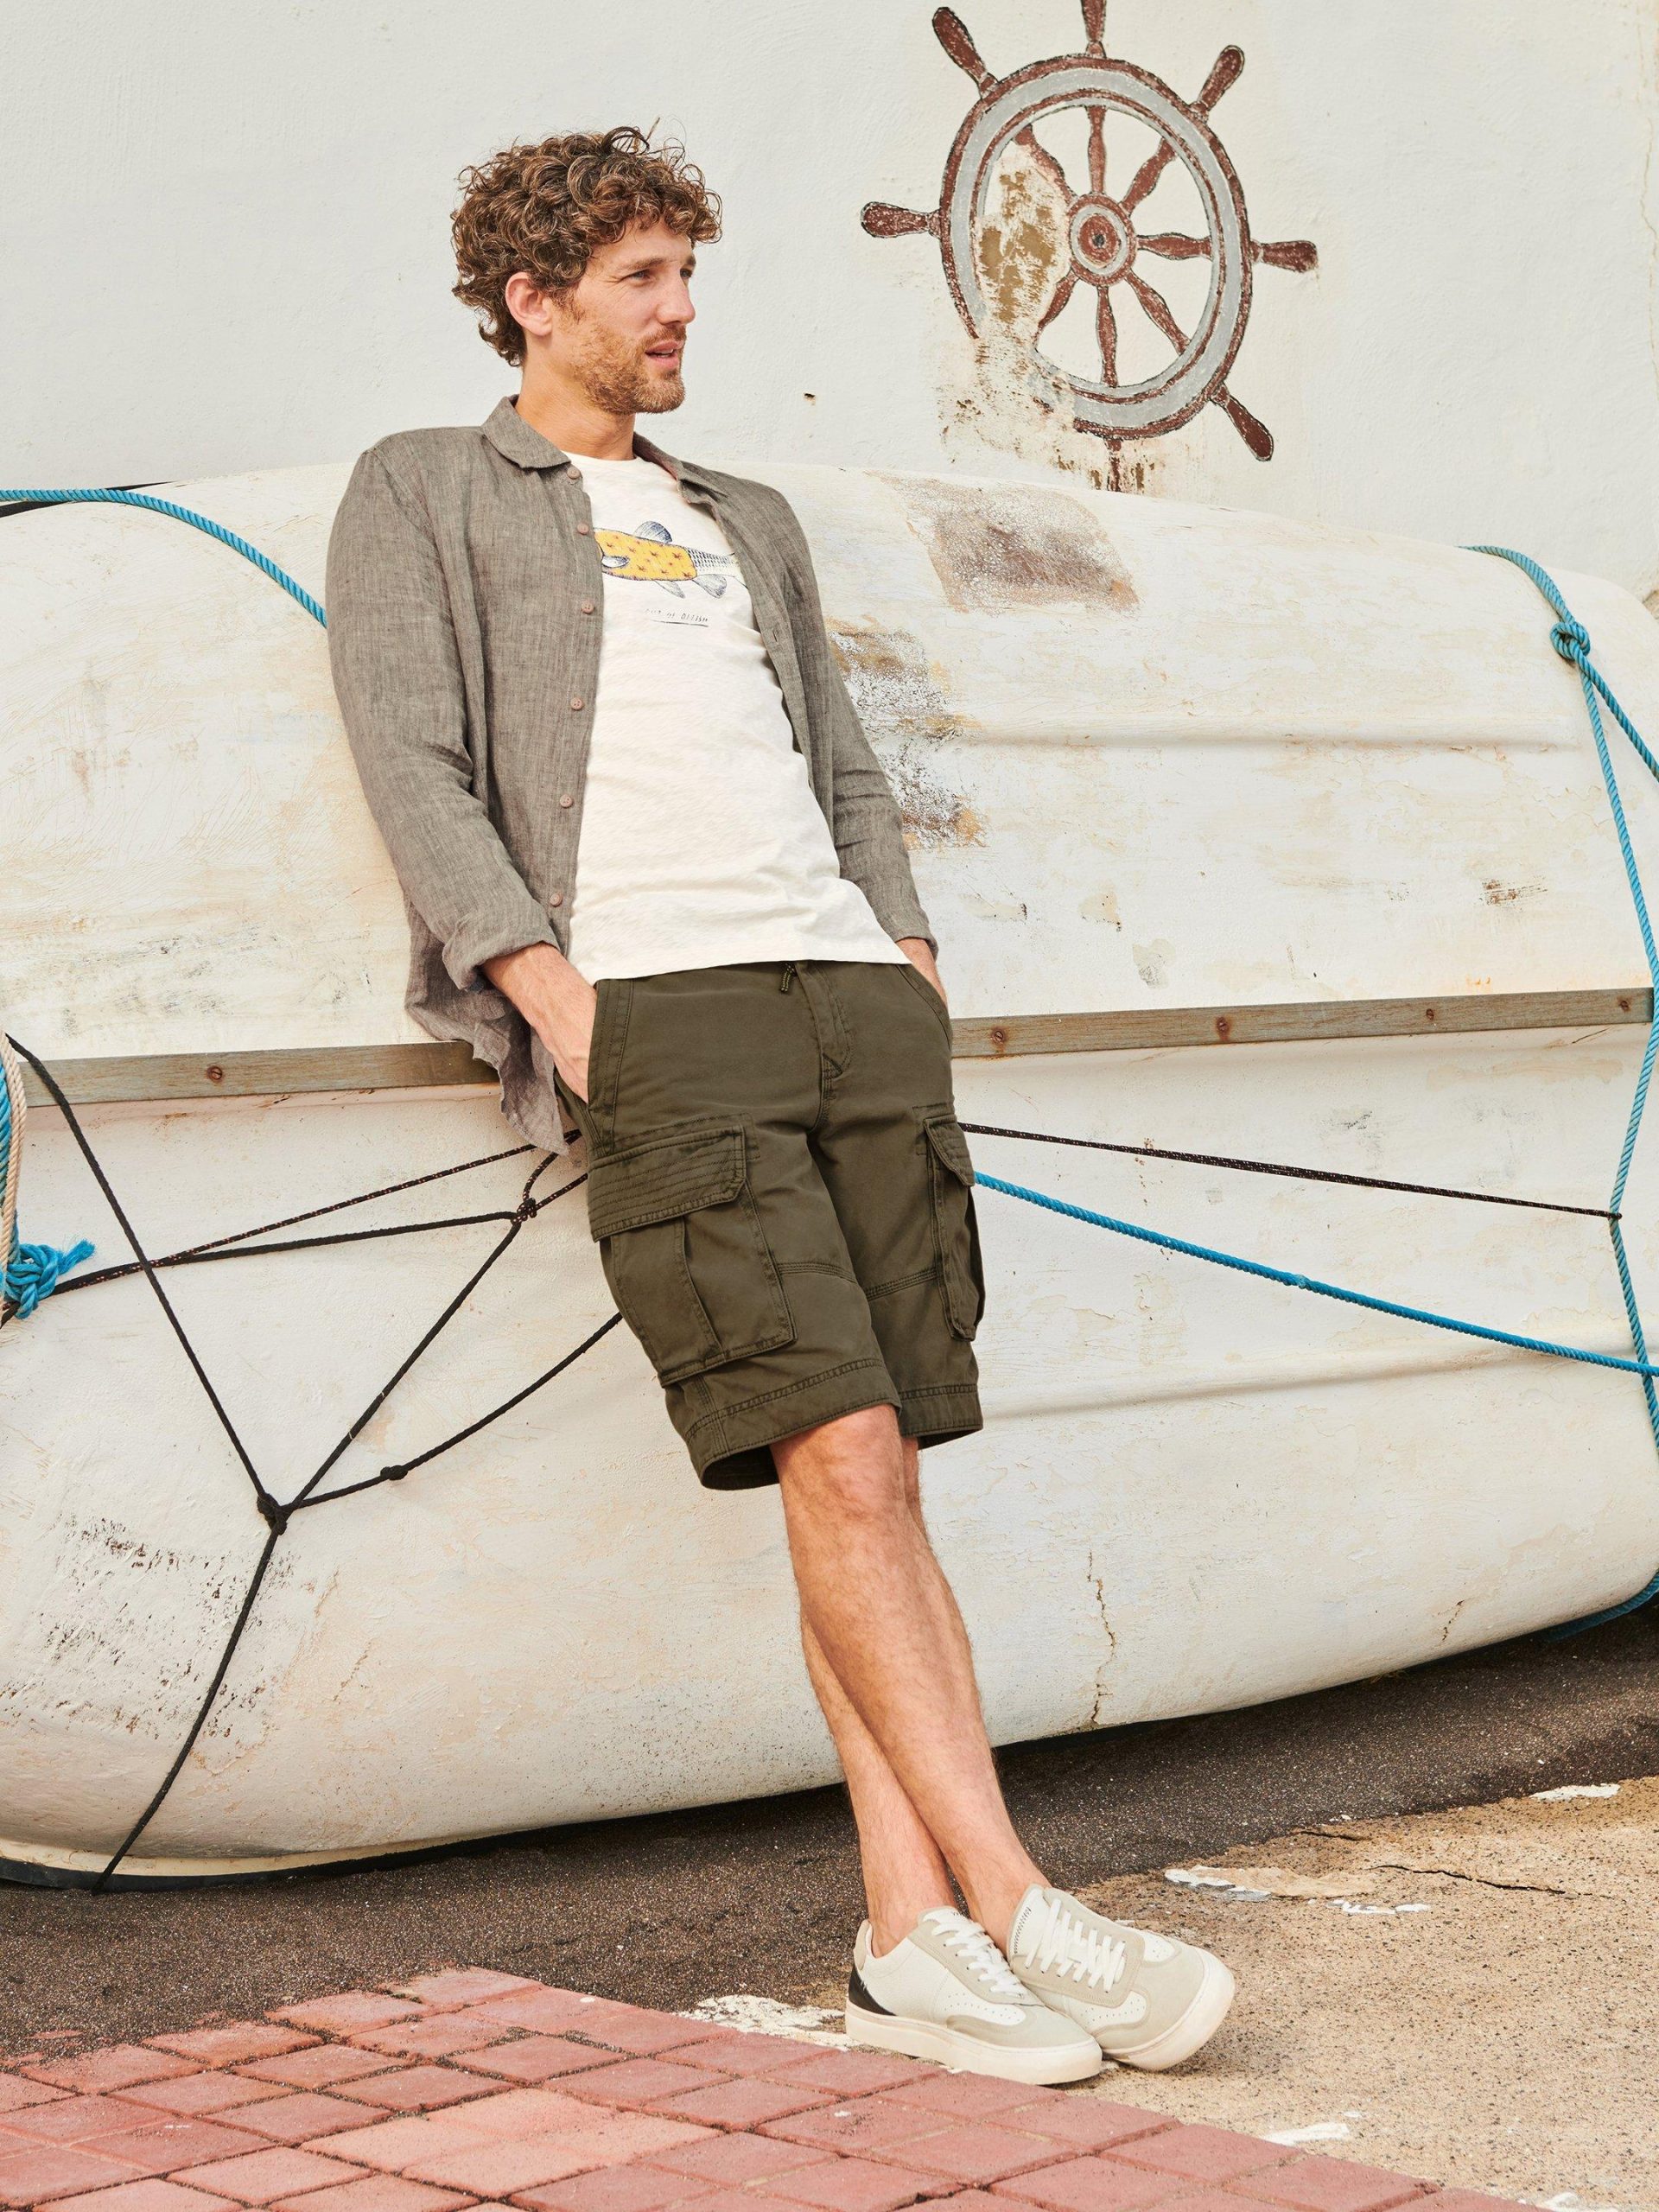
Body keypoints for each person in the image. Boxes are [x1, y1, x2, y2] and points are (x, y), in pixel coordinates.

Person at [325, 125, 1234, 2083]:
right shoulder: (424, 489)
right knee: (839, 1454)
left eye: (687, 275)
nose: (681, 314)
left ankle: (908, 1932)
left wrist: (905, 956)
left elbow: (840, 755)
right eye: (641, 281)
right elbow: (413, 761)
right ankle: (1017, 1896)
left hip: (849, 1004)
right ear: (532, 301)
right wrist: (563, 1006)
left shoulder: (739, 512)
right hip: (664, 1014)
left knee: (877, 1467)